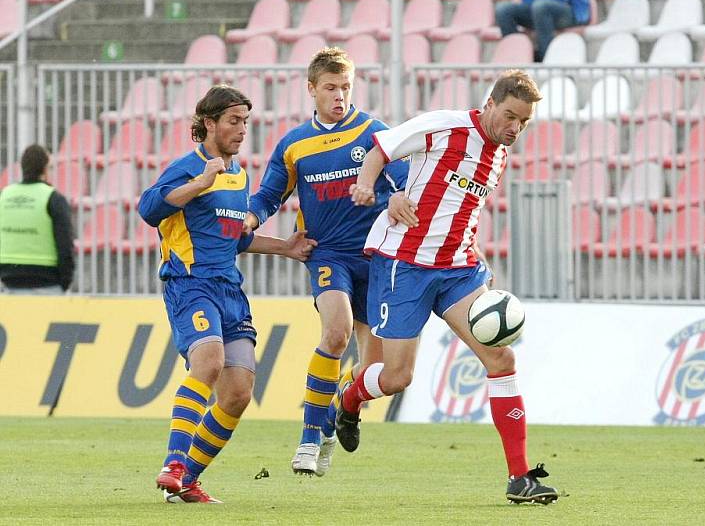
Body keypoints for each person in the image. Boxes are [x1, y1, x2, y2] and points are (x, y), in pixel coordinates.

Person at [339, 70, 559, 504]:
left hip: (458, 269)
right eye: (511, 115)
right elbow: (380, 150)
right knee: (398, 376)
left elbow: (462, 208)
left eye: (525, 122)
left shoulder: (499, 154)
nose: (516, 127)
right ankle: (349, 399)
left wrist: (475, 256)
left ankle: (520, 477)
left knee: (501, 357)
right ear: (491, 104)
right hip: (406, 263)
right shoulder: (445, 125)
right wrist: (372, 187)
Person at [138, 84, 317, 504]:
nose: (241, 130)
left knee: (237, 394)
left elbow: (233, 238)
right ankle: (173, 463)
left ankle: (187, 480)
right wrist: (199, 183)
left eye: (245, 122)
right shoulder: (188, 167)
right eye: (234, 121)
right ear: (208, 124)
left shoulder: (239, 175)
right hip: (189, 283)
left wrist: (285, 248)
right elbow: (149, 209)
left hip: (230, 290)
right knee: (210, 360)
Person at [245, 47, 408, 477]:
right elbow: (268, 196)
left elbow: (407, 184)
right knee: (335, 334)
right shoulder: (295, 144)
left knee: (375, 369)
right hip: (327, 254)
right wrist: (250, 216)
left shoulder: (375, 134)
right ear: (312, 89)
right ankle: (308, 439)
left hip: (375, 256)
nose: (339, 96)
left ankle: (337, 409)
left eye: (346, 87)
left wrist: (397, 198)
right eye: (331, 88)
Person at [0, 144, 75, 294]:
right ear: (45, 169)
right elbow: (65, 244)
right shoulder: (53, 198)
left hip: (8, 281)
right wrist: (65, 282)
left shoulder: (4, 196)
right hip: (47, 282)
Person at [495, 0, 590, 62]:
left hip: (573, 11)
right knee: (503, 9)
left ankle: (545, 57)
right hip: (539, 9)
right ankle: (518, 55)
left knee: (541, 6)